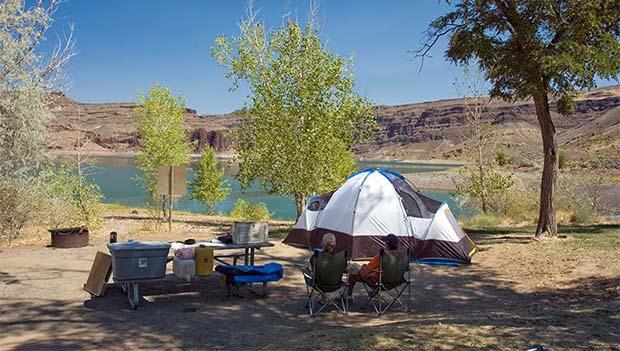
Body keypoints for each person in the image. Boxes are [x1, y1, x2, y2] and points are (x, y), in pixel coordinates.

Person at [347, 233, 399, 300]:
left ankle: (348, 297)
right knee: (377, 272)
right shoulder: (399, 257)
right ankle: (375, 291)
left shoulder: (382, 255)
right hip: (394, 281)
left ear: (387, 244)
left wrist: (361, 268)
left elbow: (365, 272)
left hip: (379, 282)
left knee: (352, 274)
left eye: (385, 242)